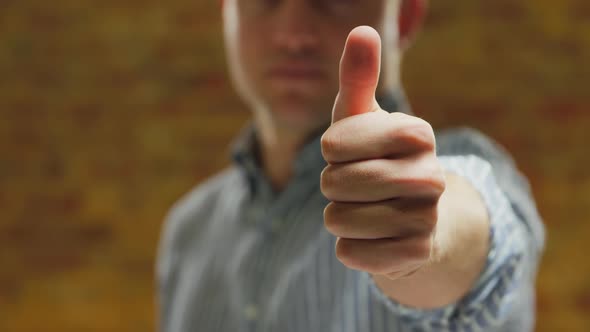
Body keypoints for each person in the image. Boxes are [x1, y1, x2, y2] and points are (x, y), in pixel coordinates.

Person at [156, 0, 545, 331]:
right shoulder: (189, 231)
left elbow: (477, 227)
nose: (294, 35)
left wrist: (429, 235)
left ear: (405, 16)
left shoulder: (468, 172)